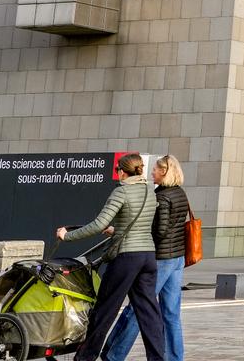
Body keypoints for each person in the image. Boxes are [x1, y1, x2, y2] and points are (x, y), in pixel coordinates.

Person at [56, 153, 165, 361]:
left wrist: (67, 236)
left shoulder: (121, 192)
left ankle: (85, 358)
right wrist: (117, 229)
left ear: (122, 172)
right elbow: (139, 225)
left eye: (117, 171)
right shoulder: (149, 192)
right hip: (147, 256)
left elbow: (97, 225)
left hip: (126, 258)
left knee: (105, 309)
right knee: (149, 313)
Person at [100, 156, 190, 361]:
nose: (152, 173)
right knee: (171, 313)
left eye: (156, 170)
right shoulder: (180, 193)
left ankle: (114, 354)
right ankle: (174, 358)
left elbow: (160, 231)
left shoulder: (162, 197)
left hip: (161, 259)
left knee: (138, 309)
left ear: (165, 172)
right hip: (177, 258)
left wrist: (133, 237)